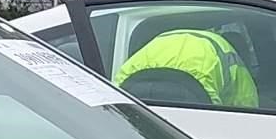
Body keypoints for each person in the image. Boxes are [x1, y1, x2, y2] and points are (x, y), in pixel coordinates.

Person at [111, 22, 260, 110]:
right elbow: (246, 104)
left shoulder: (154, 45)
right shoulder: (224, 50)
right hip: (196, 90)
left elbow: (113, 105)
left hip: (134, 91)